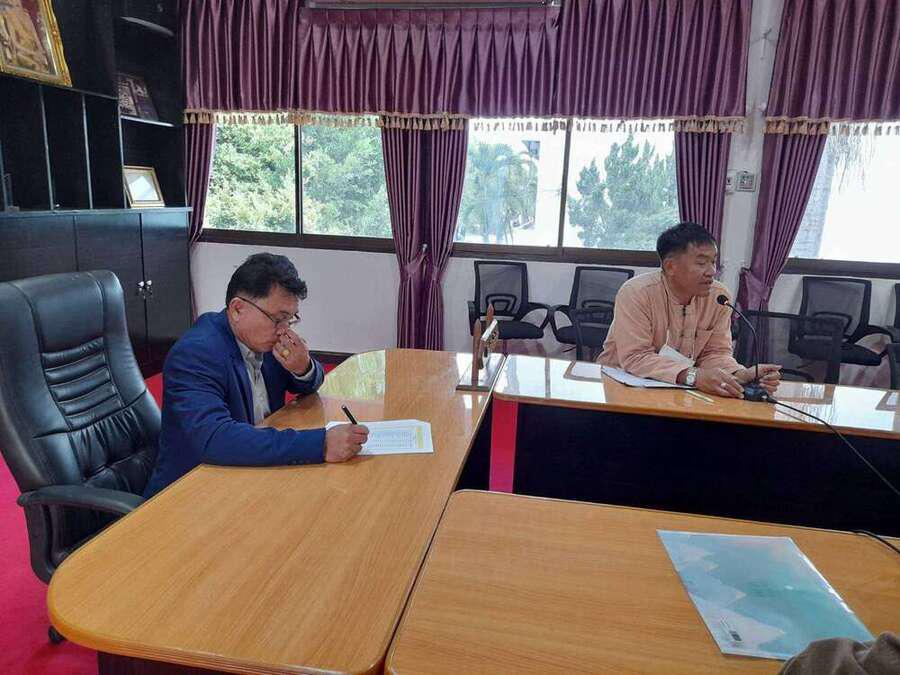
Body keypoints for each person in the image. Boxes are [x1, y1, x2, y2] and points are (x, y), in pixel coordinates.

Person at [144, 253, 367, 497]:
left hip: (250, 473)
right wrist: (320, 444)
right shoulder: (196, 353)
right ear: (237, 309)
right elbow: (216, 438)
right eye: (278, 319)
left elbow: (307, 385)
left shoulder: (264, 338)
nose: (284, 330)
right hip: (191, 493)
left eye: (290, 319)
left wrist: (302, 367)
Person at [598, 222, 781, 398]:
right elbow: (636, 357)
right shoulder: (637, 293)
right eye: (701, 263)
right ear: (670, 266)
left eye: (713, 262)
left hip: (679, 390)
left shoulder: (719, 297)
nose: (712, 271)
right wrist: (693, 376)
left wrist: (738, 374)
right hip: (621, 385)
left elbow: (715, 353)